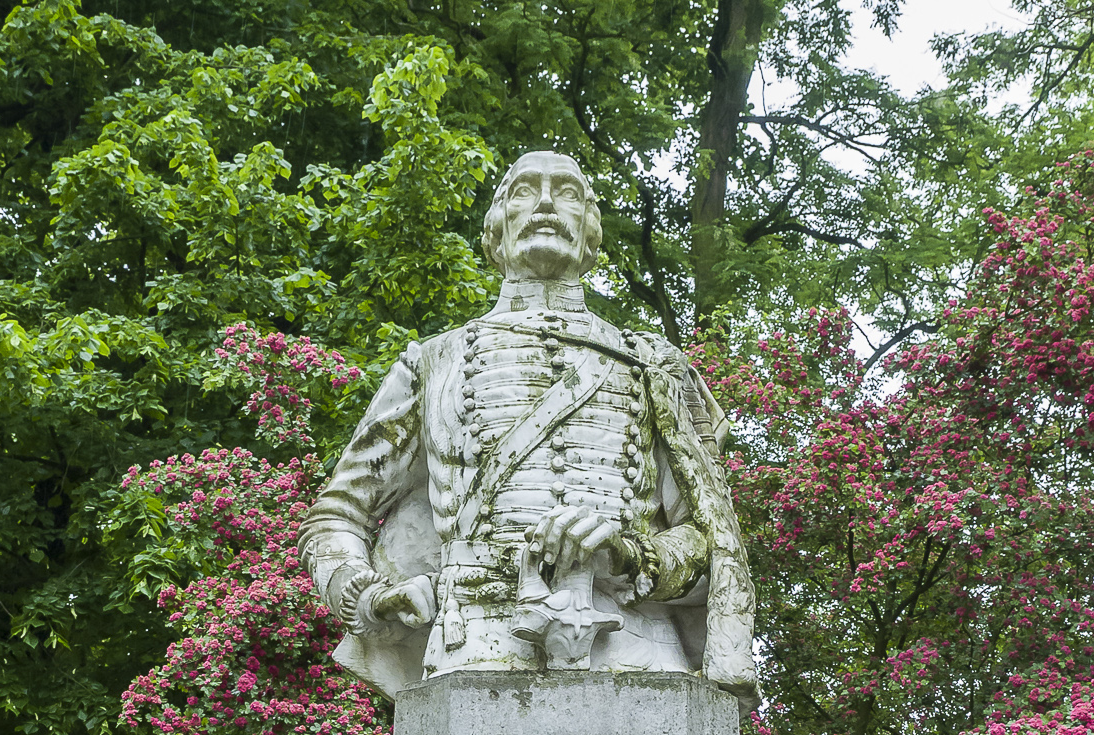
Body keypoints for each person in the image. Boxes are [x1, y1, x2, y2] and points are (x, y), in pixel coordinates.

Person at [299, 149, 758, 701]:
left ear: (591, 232)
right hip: (474, 648)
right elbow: (336, 515)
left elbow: (712, 547)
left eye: (566, 192)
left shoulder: (654, 367)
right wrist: (369, 597)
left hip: (637, 653)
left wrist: (630, 555)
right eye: (523, 191)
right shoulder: (432, 363)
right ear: (496, 229)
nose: (544, 203)